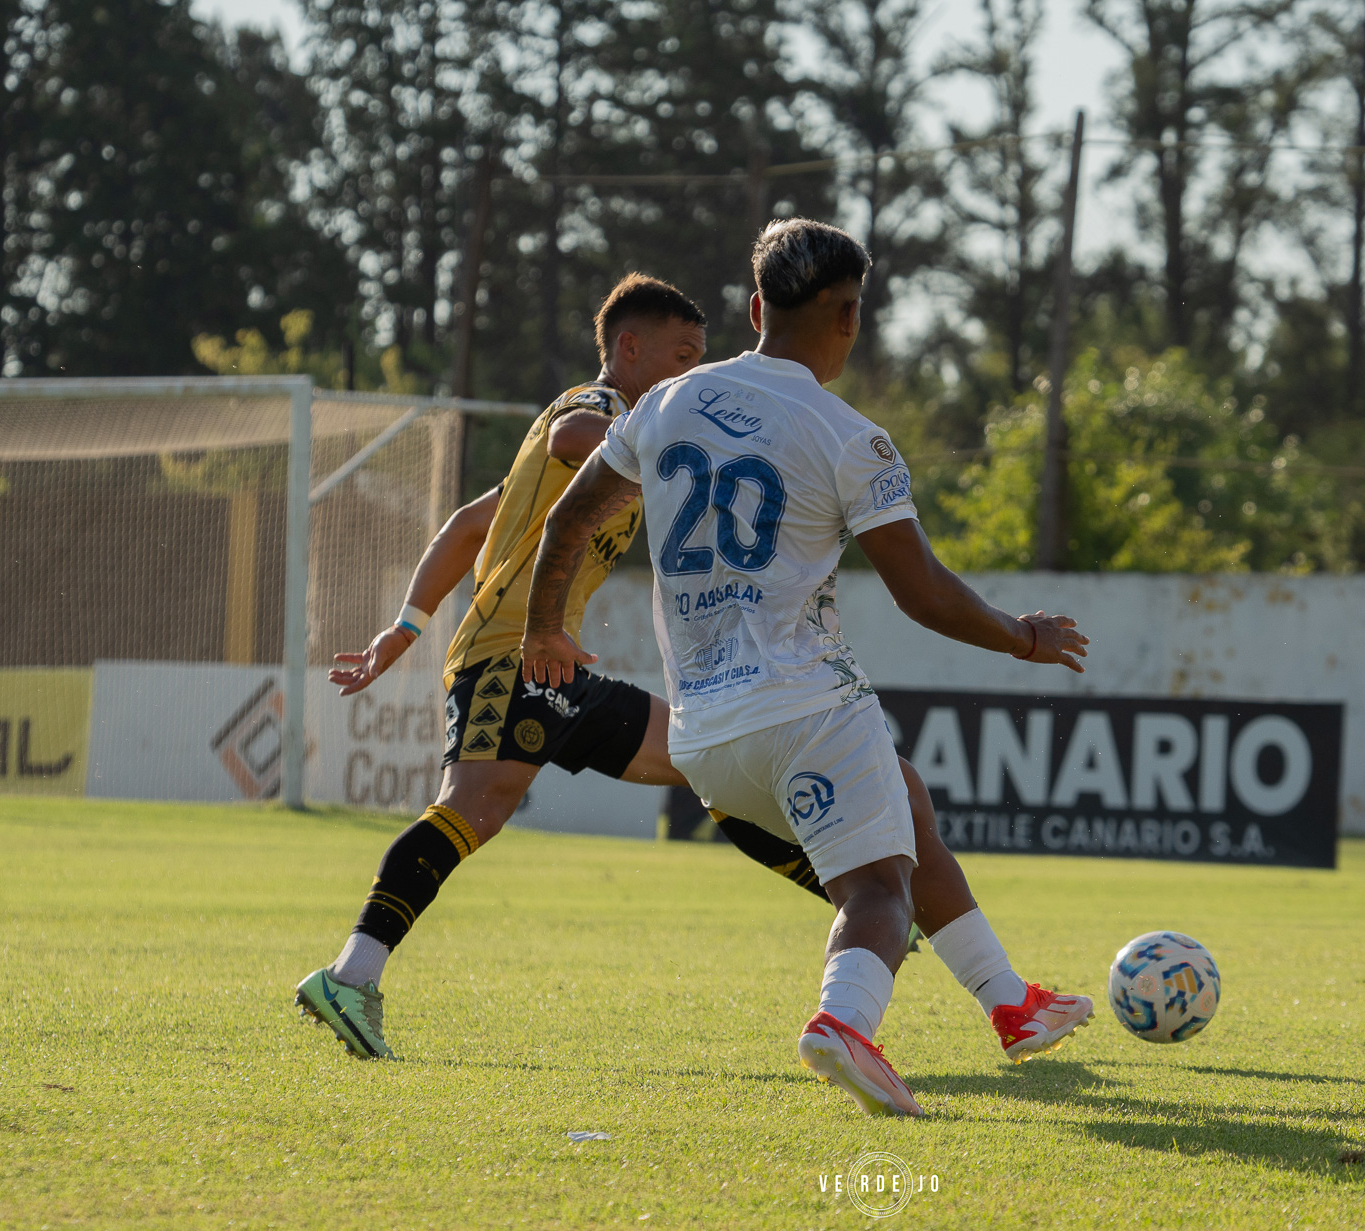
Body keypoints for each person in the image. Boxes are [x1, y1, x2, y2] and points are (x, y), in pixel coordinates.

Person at [293, 273, 1079, 1072]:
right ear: (627, 349)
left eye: (699, 357)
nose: (688, 373)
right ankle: (351, 974)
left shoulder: (649, 440)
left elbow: (468, 525)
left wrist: (404, 627)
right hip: (515, 651)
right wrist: (666, 423)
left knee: (707, 758)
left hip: (564, 667)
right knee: (476, 807)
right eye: (679, 356)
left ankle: (863, 894)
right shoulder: (604, 414)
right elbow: (574, 431)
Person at [521, 220, 1094, 1117]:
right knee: (877, 887)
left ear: (755, 309)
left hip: (706, 739)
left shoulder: (664, 405)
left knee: (904, 801)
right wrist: (1022, 637)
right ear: (848, 317)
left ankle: (1011, 1003)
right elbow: (926, 594)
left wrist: (544, 629)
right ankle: (844, 1022)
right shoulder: (850, 436)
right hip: (808, 708)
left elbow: (565, 522)